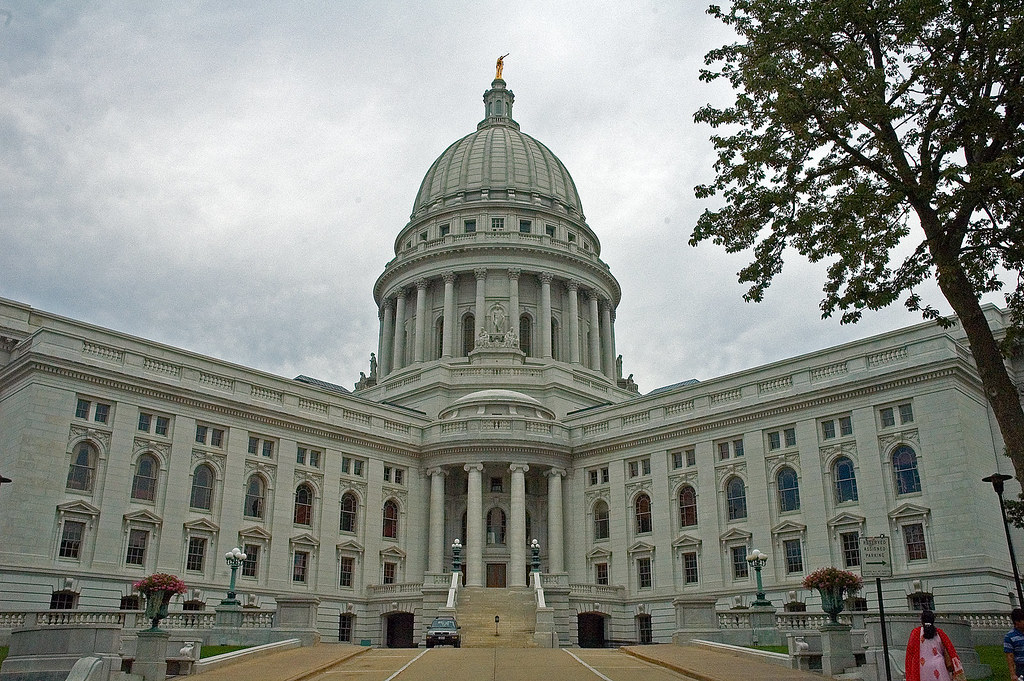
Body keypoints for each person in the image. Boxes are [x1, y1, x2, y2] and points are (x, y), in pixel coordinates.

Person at [905, 610, 965, 681]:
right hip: (940, 666)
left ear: (922, 620)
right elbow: (950, 649)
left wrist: (909, 673)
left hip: (923, 668)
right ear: (933, 620)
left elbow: (910, 654)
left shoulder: (915, 633)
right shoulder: (940, 633)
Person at [1005, 608, 1024, 681]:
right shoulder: (1010, 636)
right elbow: (1009, 656)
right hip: (1021, 667)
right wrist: (1013, 674)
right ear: (1017, 622)